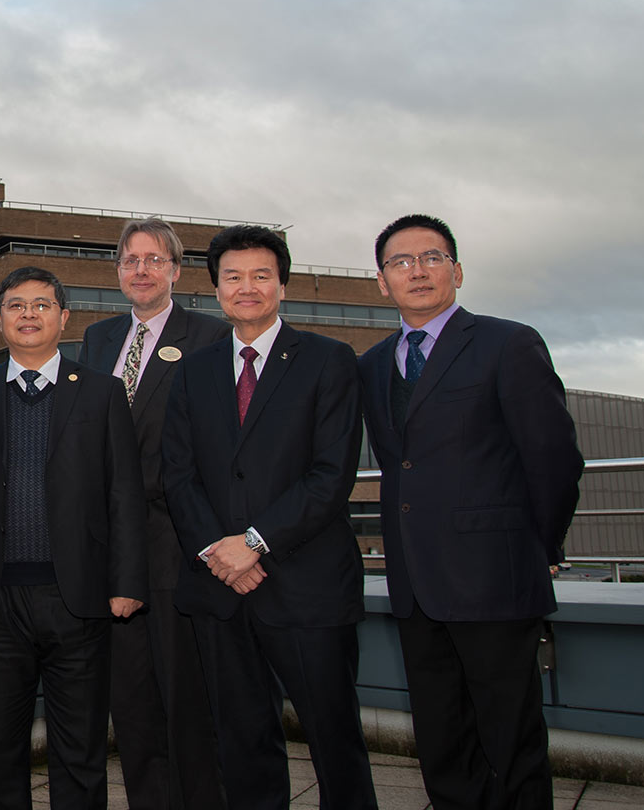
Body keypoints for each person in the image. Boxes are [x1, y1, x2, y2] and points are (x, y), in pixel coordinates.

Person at [358, 213, 583, 810]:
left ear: (456, 270)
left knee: (511, 740)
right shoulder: (374, 365)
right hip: (415, 585)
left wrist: (541, 546)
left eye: (432, 258)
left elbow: (554, 458)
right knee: (441, 739)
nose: (418, 271)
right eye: (400, 263)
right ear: (382, 282)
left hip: (495, 577)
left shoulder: (508, 343)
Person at [161, 225, 377, 810]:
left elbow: (332, 475)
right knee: (242, 741)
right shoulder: (196, 369)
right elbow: (177, 473)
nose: (247, 287)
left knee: (334, 738)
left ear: (282, 283)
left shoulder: (329, 361)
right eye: (233, 277)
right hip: (221, 589)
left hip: (306, 586)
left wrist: (254, 543)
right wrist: (218, 552)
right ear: (216, 289)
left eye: (261, 275)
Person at [0, 266, 146, 810]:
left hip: (78, 598)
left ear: (64, 317)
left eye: (42, 305)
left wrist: (126, 581)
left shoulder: (102, 393)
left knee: (80, 750)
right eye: (16, 306)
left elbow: (123, 492)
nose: (29, 315)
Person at [79, 218, 227, 810]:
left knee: (186, 705)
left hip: (174, 546)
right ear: (118, 271)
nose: (141, 270)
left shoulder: (211, 338)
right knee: (131, 707)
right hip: (110, 551)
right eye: (130, 260)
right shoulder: (96, 339)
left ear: (175, 271)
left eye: (154, 260)